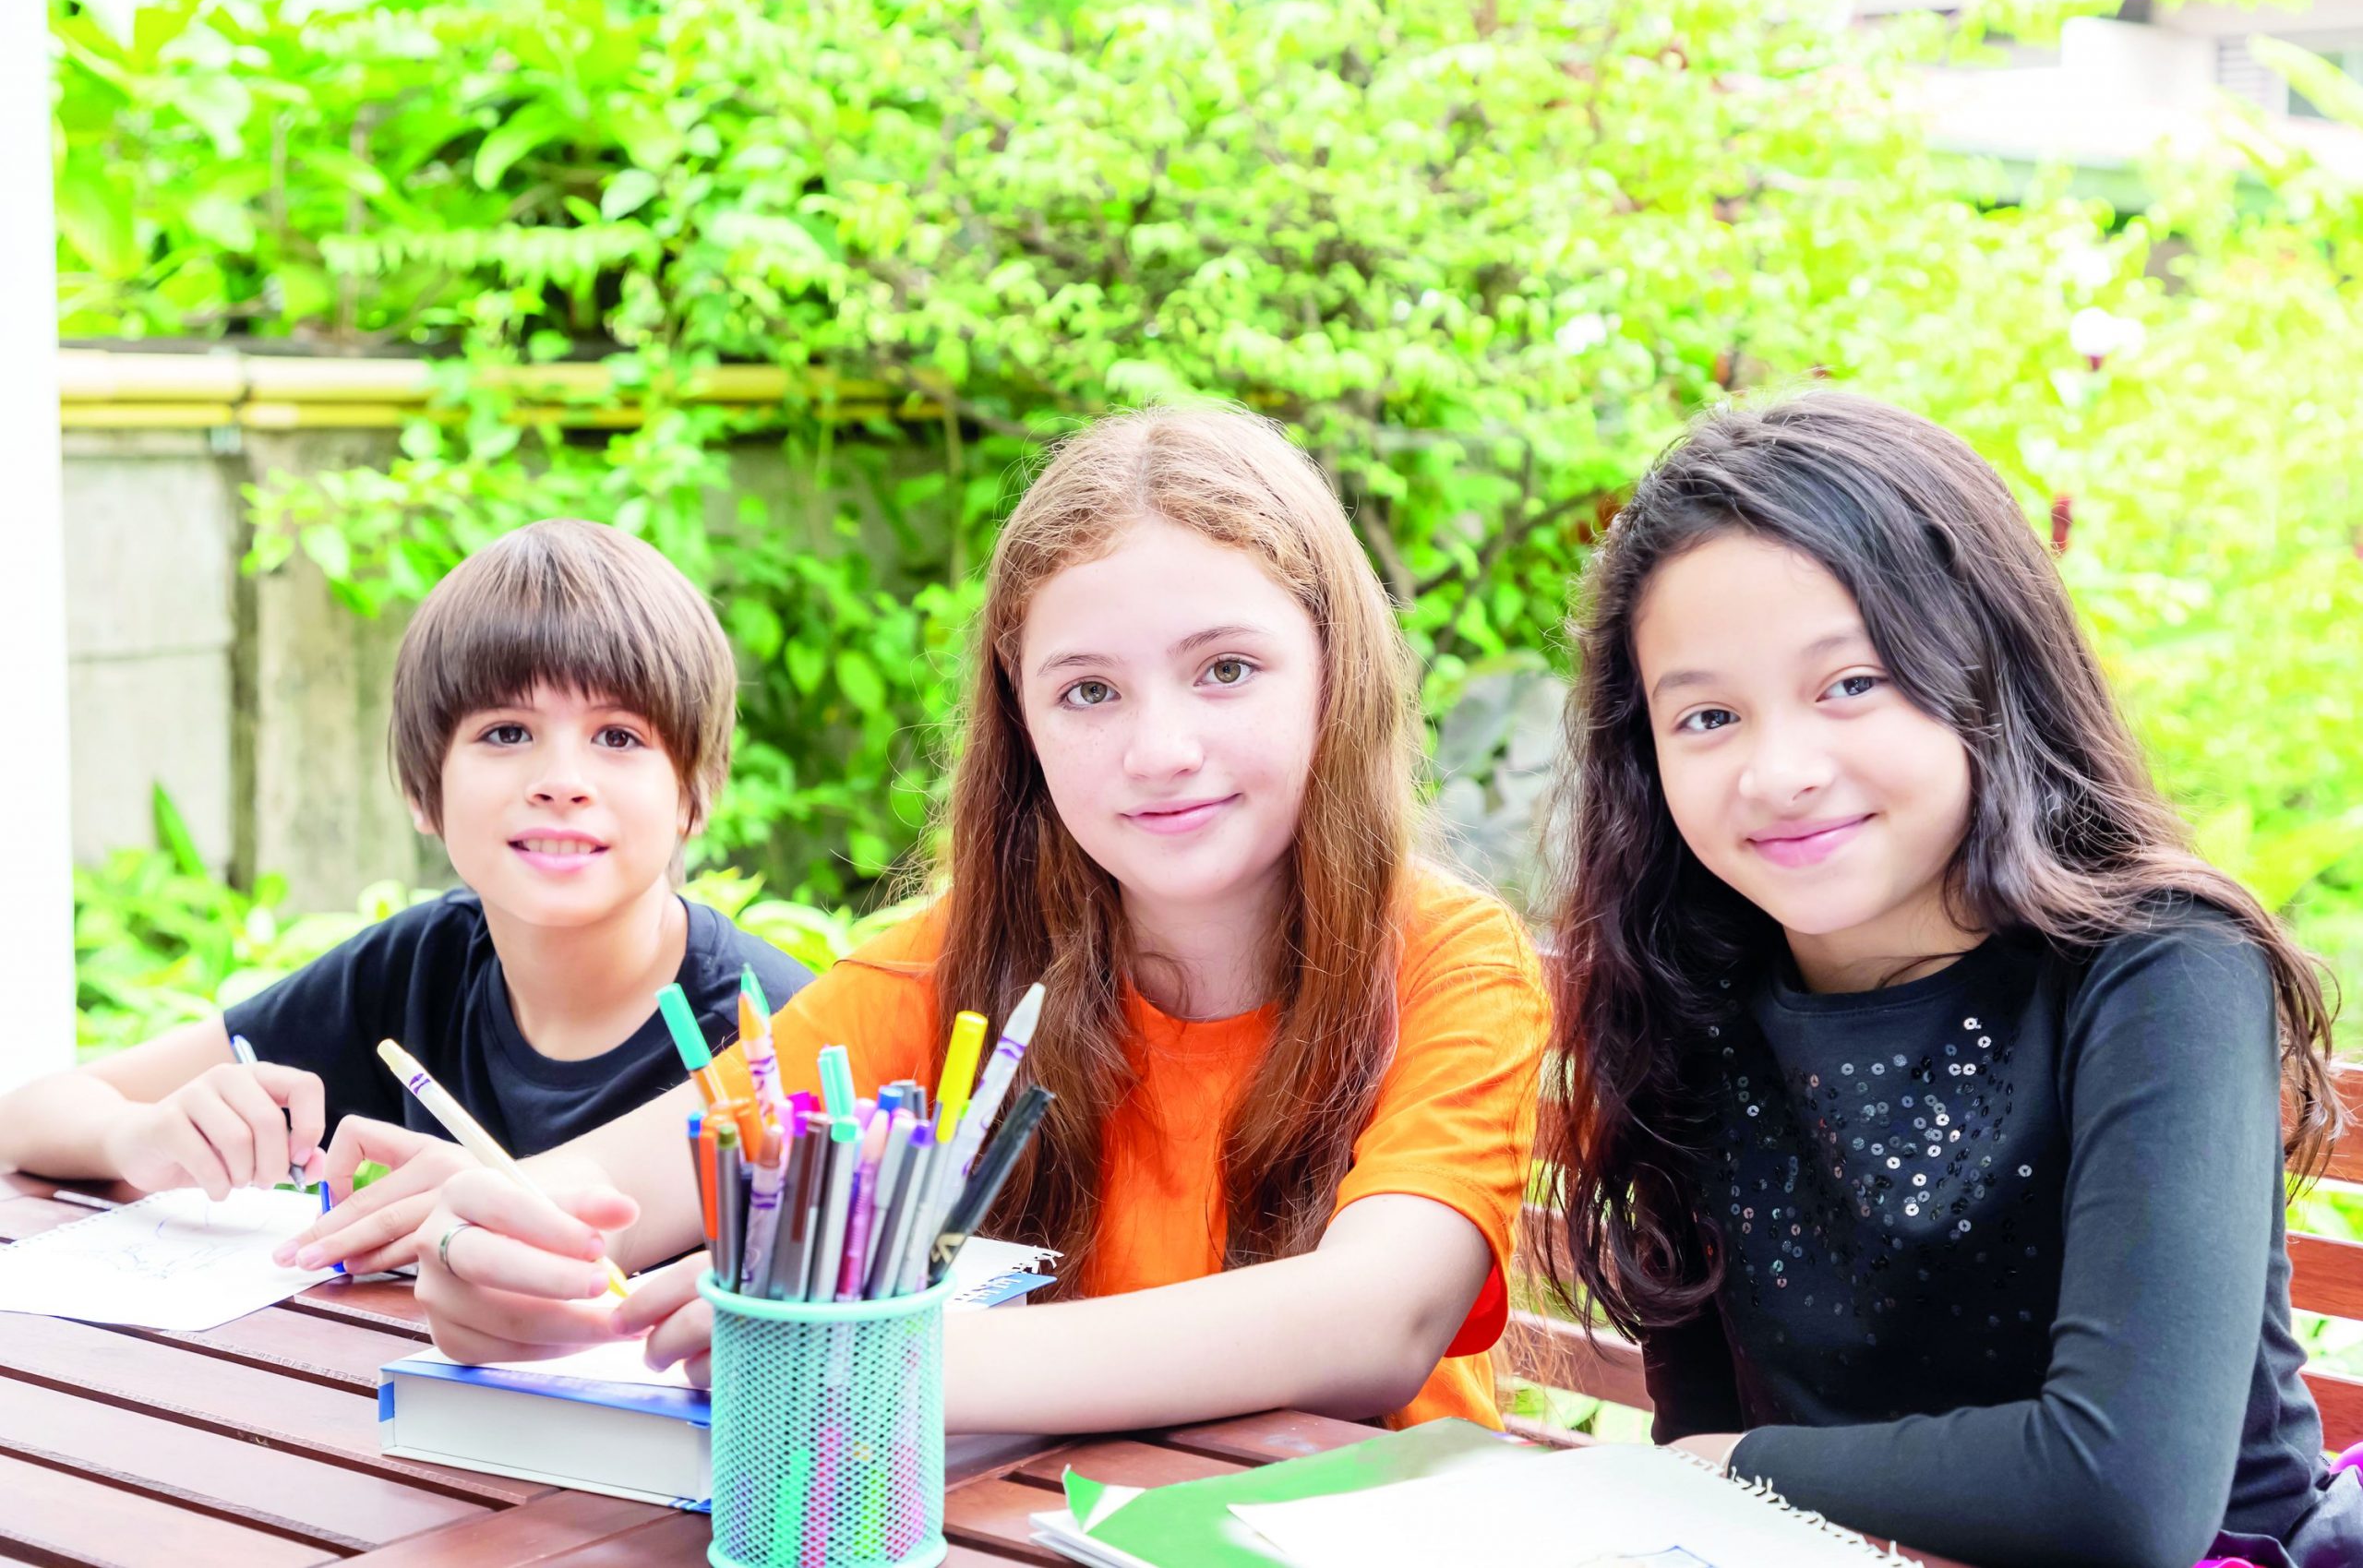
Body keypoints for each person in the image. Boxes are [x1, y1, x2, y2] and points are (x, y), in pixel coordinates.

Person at [396, 407, 1547, 1433]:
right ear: (1023, 719)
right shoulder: (956, 967)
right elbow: (592, 1199)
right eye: (1087, 691)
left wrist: (876, 1361)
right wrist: (486, 1259)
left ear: (1334, 675)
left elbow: (1375, 1322)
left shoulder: (1450, 962)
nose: (1160, 751)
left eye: (1227, 669)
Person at [1536, 391, 2357, 1567]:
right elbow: (1699, 1478)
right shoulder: (1688, 993)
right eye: (1707, 715)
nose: (1779, 772)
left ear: (1988, 670)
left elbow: (2121, 1501)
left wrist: (1736, 1466)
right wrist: (1711, 1474)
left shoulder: (2158, 970)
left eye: (1851, 684)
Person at [0, 520, 810, 1275]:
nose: (562, 782)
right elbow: (27, 1117)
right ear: (426, 791)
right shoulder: (418, 967)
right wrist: (139, 1134)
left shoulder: (774, 1026)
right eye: (506, 732)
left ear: (693, 794)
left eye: (618, 737)